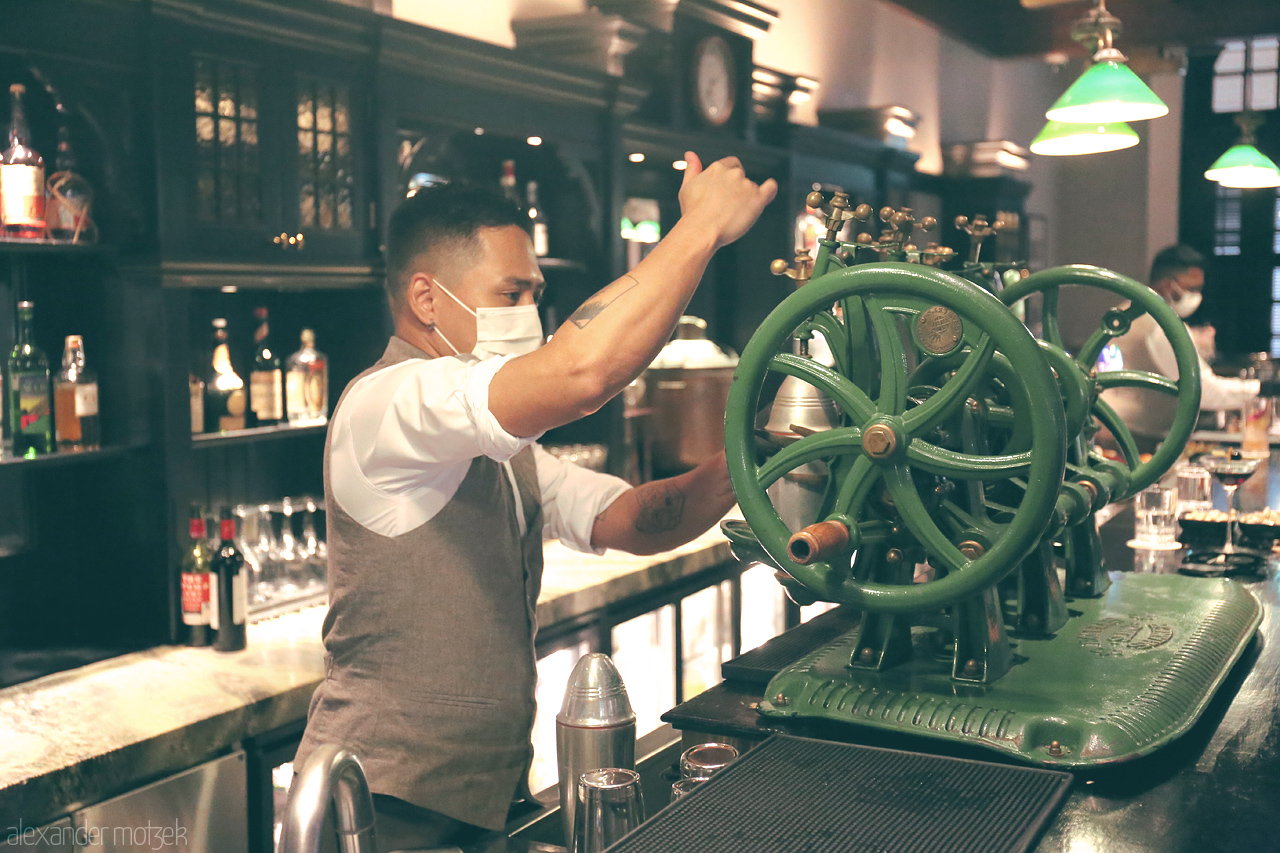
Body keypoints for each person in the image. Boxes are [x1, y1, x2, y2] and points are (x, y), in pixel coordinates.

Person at [292, 152, 776, 851]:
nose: (531, 314)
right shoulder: (386, 403)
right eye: (511, 294)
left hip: (484, 799)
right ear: (428, 300)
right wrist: (698, 227)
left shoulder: (496, 444)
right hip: (378, 805)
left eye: (535, 295)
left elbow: (629, 518)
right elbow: (580, 372)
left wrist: (755, 450)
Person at [1100, 244, 1260, 454]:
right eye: (1192, 289)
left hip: (1107, 427)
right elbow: (1203, 390)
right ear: (1168, 285)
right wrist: (1259, 389)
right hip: (1136, 439)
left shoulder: (1127, 310)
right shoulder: (1162, 325)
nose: (1197, 296)